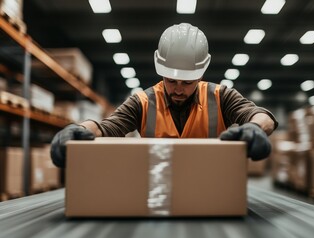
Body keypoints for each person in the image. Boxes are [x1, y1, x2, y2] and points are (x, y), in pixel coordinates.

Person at [51, 23, 278, 168]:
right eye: (171, 80)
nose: (178, 89)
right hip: (157, 187)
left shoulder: (220, 96)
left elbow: (259, 115)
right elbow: (105, 127)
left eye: (187, 82)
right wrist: (78, 130)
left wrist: (255, 129)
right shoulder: (142, 102)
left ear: (200, 75)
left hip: (210, 186)